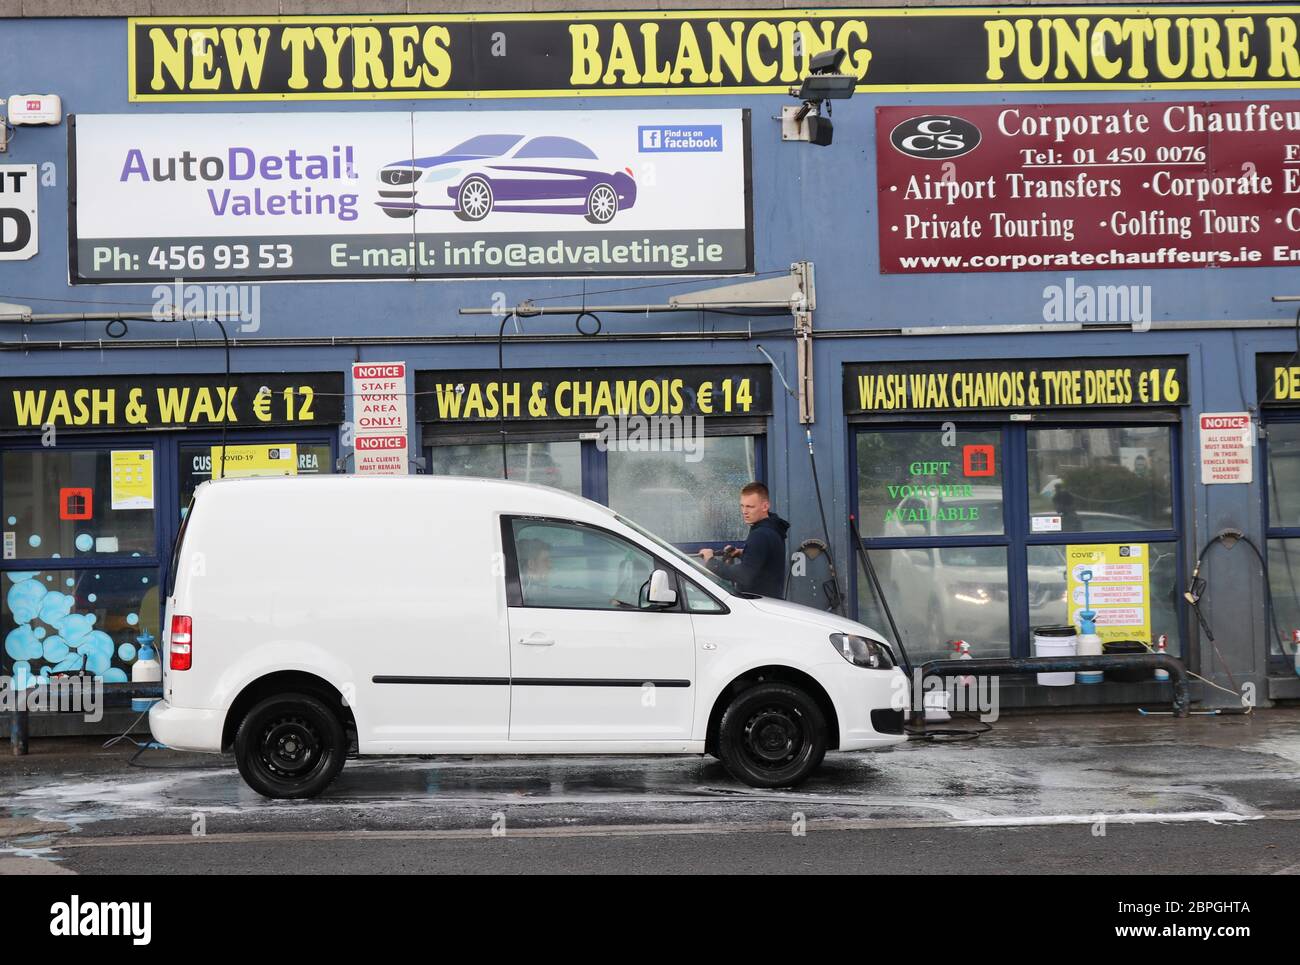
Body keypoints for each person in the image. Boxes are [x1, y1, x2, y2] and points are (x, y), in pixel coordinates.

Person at [700, 482, 790, 597]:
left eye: (750, 507)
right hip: (771, 601)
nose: (744, 511)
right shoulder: (774, 528)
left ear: (765, 506)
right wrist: (743, 554)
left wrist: (711, 561)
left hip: (758, 606)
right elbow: (765, 560)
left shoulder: (760, 534)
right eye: (742, 506)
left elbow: (744, 575)